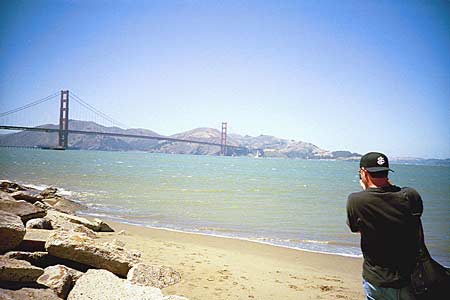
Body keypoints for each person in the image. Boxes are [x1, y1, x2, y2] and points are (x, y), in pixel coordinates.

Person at [346, 152, 421, 300]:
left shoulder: (356, 200)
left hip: (375, 279)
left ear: (363, 172)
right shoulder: (411, 195)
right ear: (387, 172)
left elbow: (356, 229)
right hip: (407, 279)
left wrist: (367, 190)